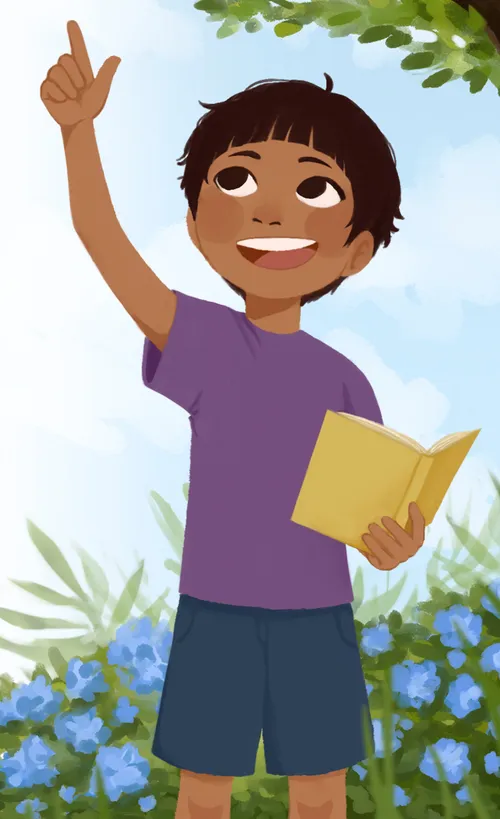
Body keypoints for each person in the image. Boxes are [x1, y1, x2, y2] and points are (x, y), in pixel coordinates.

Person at [41, 21, 426, 819]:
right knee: (202, 793)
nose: (274, 212)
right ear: (196, 223)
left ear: (356, 250)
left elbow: (373, 520)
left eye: (314, 189)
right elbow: (102, 241)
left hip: (319, 617)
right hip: (214, 610)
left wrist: (396, 543)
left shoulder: (346, 380)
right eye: (239, 181)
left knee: (321, 797)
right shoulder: (207, 340)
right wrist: (79, 135)